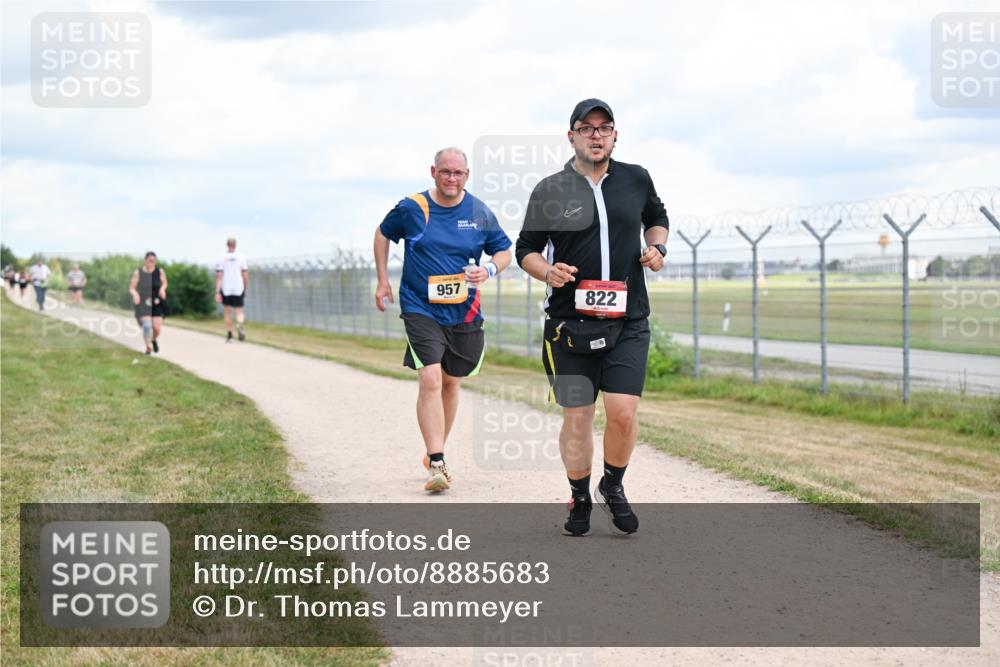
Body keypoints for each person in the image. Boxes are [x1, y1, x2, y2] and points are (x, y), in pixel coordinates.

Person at [515, 99, 669, 536]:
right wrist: (548, 271)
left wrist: (657, 247)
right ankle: (579, 495)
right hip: (569, 325)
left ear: (615, 135)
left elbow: (657, 218)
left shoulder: (636, 179)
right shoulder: (550, 189)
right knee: (577, 417)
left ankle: (613, 486)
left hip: (629, 318)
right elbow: (525, 248)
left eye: (605, 128)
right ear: (572, 136)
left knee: (622, 412)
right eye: (587, 128)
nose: (596, 135)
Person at [374, 147, 512, 493]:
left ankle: (437, 451)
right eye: (446, 172)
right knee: (431, 378)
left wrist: (490, 269)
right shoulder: (413, 208)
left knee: (451, 382)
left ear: (467, 175)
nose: (452, 178)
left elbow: (504, 250)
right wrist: (382, 279)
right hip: (420, 306)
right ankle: (437, 461)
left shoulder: (479, 211)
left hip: (463, 309)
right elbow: (382, 233)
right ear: (433, 171)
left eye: (459, 173)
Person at [129, 252, 168, 355]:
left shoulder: (160, 271)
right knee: (147, 325)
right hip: (143, 301)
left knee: (157, 328)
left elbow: (164, 283)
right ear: (145, 260)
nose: (152, 263)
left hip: (157, 301)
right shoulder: (138, 272)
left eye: (154, 261)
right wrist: (135, 294)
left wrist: (163, 289)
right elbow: (132, 288)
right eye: (150, 261)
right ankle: (148, 347)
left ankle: (153, 340)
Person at [215, 237, 249, 343]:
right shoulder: (241, 257)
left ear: (227, 245)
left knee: (227, 312)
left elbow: (219, 276)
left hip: (226, 288)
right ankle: (239, 324)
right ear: (235, 245)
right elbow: (245, 274)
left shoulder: (221, 257)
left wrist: (217, 291)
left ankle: (230, 336)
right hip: (238, 287)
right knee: (239, 311)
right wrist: (245, 287)